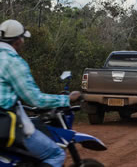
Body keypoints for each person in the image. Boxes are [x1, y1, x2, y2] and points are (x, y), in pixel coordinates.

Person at [0, 19, 81, 167]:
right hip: (4, 126)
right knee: (56, 154)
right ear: (17, 41)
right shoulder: (13, 61)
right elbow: (34, 99)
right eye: (23, 38)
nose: (23, 42)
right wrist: (66, 99)